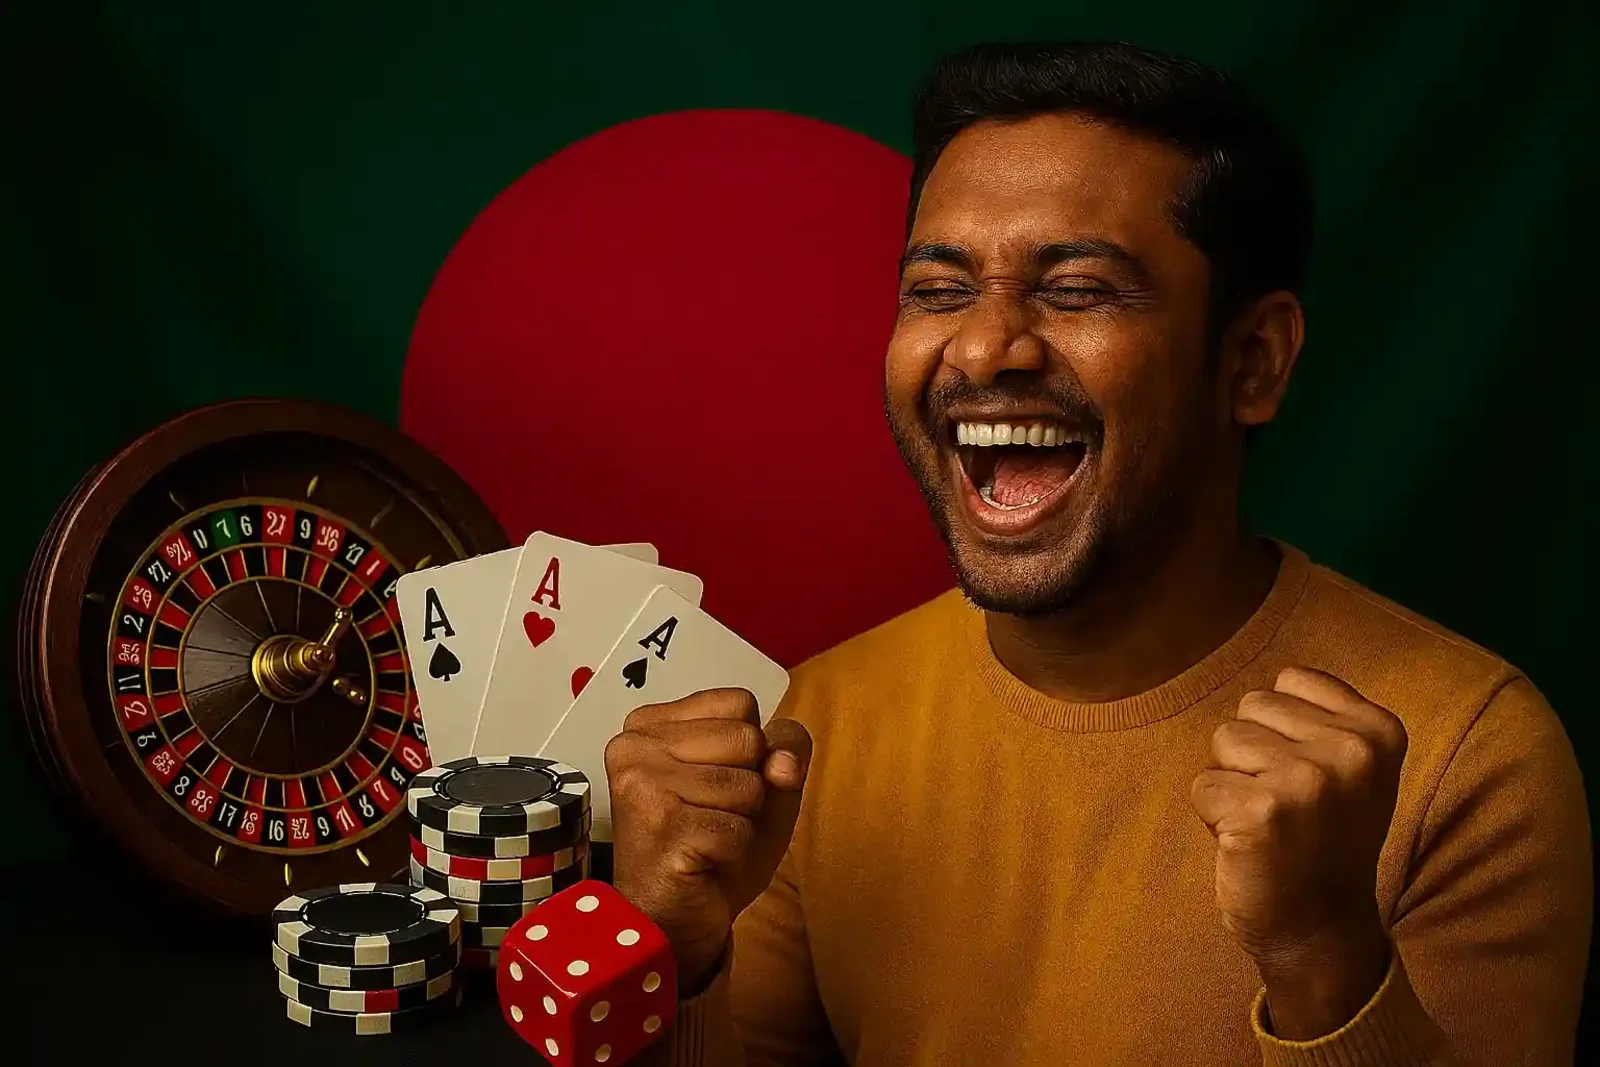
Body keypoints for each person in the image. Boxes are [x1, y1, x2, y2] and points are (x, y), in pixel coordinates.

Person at [606, 41, 1592, 1066]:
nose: (986, 348)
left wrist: (1322, 957)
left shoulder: (1467, 755)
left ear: (1251, 361)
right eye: (938, 291)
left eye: (1077, 290)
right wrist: (669, 953)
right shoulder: (820, 724)